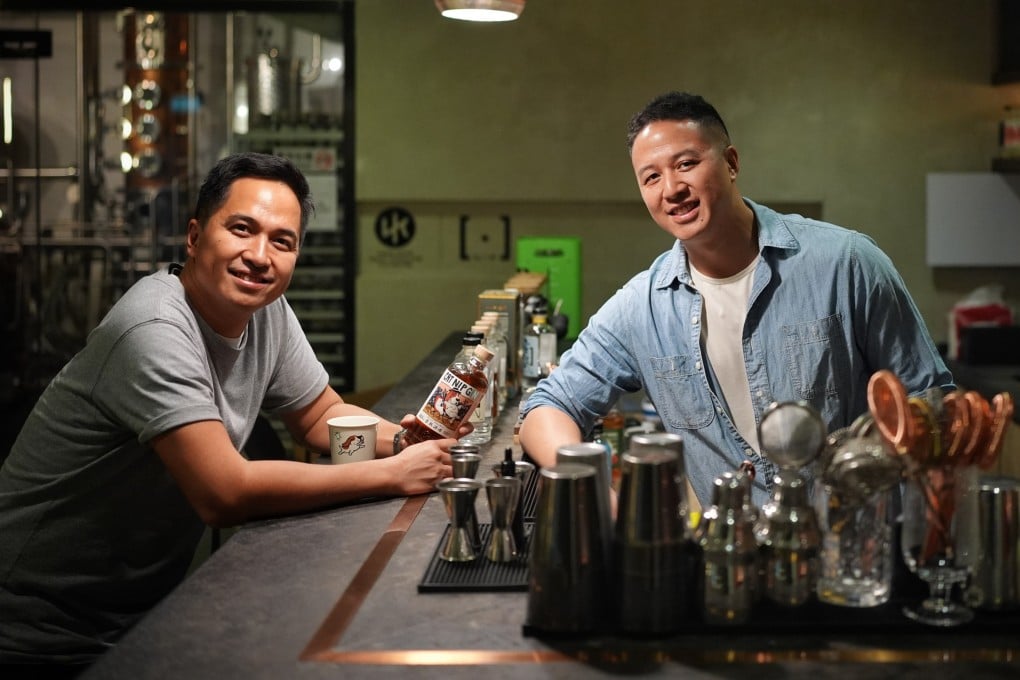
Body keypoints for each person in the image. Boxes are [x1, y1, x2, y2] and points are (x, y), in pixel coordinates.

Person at [0, 152, 455, 672]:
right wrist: (391, 475)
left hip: (137, 616)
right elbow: (224, 493)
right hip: (37, 633)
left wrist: (404, 440)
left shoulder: (266, 313)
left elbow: (317, 416)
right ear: (195, 237)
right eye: (242, 229)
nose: (260, 256)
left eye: (281, 241)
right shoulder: (152, 328)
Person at [518, 91, 953, 511]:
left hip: (852, 558)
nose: (671, 189)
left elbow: (933, 404)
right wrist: (596, 492)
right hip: (732, 565)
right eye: (651, 177)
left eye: (686, 164)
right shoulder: (642, 308)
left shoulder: (846, 263)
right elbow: (547, 407)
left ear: (731, 163)